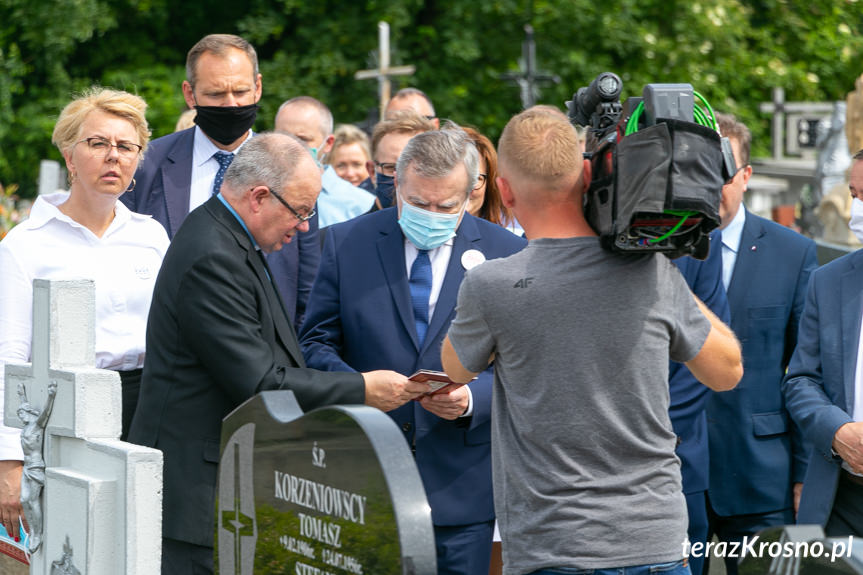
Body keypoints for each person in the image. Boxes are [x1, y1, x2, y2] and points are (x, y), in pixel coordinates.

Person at [441, 106, 742, 575]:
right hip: (656, 543)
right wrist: (660, 262)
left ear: (503, 190)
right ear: (586, 172)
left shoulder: (490, 285)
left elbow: (455, 369)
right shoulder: (652, 275)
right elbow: (727, 372)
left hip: (552, 549)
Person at [128, 132, 429, 575]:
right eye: (301, 211)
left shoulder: (227, 234)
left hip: (226, 478)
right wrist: (362, 388)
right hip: (199, 491)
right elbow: (261, 382)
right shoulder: (213, 255)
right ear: (259, 197)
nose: (305, 226)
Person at [300, 126, 526, 574]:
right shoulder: (347, 243)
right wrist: (358, 387)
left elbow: (528, 363)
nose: (431, 213)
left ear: (470, 196)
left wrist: (470, 400)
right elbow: (315, 341)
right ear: (396, 185)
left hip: (463, 487)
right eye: (419, 203)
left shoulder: (508, 252)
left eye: (446, 206)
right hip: (365, 477)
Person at [0, 87, 169, 539]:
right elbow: (9, 357)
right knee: (78, 540)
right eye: (98, 143)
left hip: (146, 407)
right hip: (66, 414)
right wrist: (9, 460)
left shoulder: (151, 237)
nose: (113, 156)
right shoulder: (26, 244)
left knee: (139, 542)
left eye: (126, 146)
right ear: (69, 156)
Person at [120, 33, 319, 331]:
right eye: (215, 94)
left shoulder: (295, 168)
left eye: (240, 91)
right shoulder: (147, 164)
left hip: (266, 355)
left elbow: (308, 289)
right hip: (170, 348)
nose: (230, 104)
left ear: (258, 87)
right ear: (190, 94)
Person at [705, 113, 817, 574]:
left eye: (723, 174)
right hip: (672, 478)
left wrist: (804, 474)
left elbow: (809, 372)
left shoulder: (794, 254)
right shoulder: (655, 252)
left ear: (746, 176)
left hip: (762, 480)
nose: (710, 186)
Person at [782, 149, 863, 537]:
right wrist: (837, 431)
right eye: (854, 193)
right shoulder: (829, 281)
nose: (855, 210)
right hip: (840, 501)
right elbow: (801, 380)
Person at [668, 230, 730, 575]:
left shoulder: (695, 235)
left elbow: (708, 358)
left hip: (676, 459)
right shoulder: (563, 224)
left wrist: (647, 429)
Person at [274, 96, 377, 228]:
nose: (291, 145)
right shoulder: (260, 193)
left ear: (328, 143)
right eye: (283, 137)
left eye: (302, 139)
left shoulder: (362, 204)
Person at [363, 110, 436, 209]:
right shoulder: (355, 225)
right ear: (372, 171)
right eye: (392, 168)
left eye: (419, 168)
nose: (403, 180)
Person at [18, 381, 56, 553]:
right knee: (24, 500)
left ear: (29, 414)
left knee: (33, 500)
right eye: (19, 413)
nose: (20, 416)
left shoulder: (37, 426)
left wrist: (51, 395)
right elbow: (23, 406)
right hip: (26, 466)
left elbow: (46, 412)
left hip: (35, 467)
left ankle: (37, 534)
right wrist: (21, 394)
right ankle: (33, 530)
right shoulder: (25, 428)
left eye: (22, 413)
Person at [461, 126, 515, 231]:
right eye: (454, 178)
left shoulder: (510, 241)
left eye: (476, 178)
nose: (465, 188)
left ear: (489, 185)